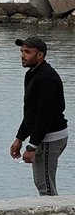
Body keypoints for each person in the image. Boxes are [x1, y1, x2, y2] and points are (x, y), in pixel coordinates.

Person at [11, 36, 68, 196]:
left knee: (45, 186)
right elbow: (31, 111)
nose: (23, 55)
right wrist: (20, 138)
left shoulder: (46, 78)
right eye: (22, 51)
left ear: (40, 55)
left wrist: (32, 146)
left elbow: (45, 116)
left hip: (51, 137)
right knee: (42, 183)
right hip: (43, 136)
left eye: (28, 52)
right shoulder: (32, 74)